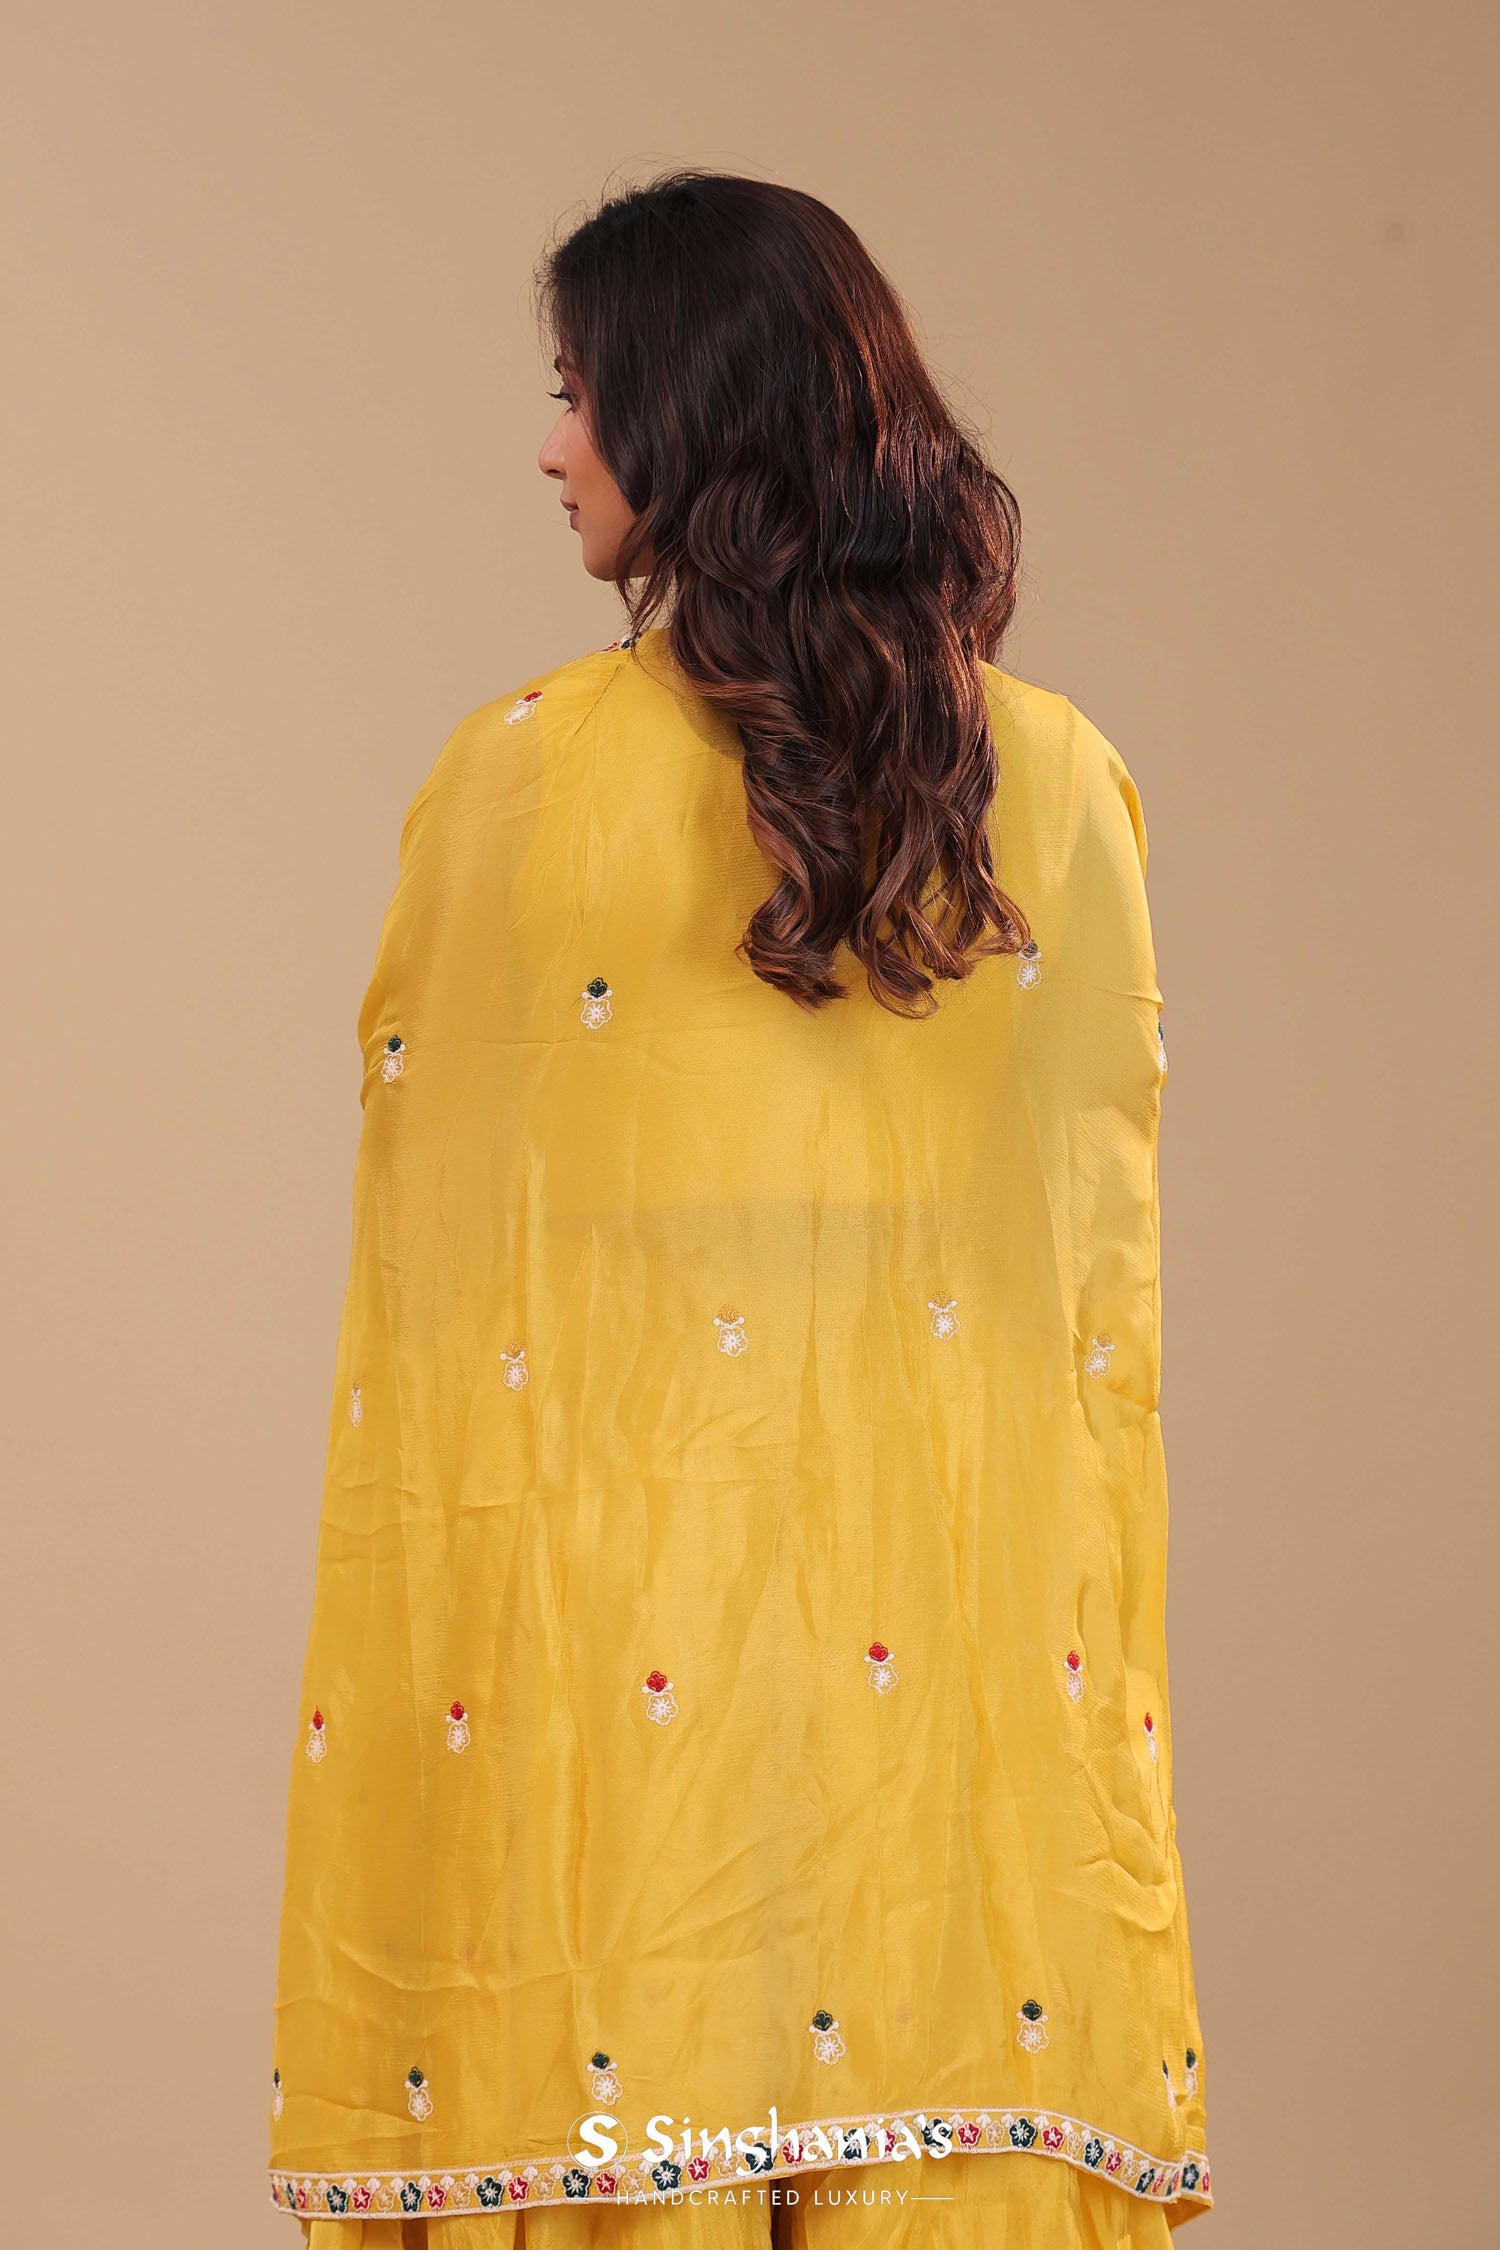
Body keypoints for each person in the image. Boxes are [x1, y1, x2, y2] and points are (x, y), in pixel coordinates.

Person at [268, 171, 1211, 2249]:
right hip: (957, 1727)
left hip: (622, 1713)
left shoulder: (515, 782)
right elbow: (1078, 1297)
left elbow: (456, 1299)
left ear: (684, 416)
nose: (549, 446)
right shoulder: (1062, 786)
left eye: (576, 391)